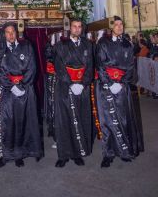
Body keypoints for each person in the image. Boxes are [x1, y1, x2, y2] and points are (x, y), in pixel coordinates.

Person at [95, 16, 144, 168]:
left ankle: (124, 151)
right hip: (105, 86)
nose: (119, 27)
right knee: (107, 121)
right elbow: (100, 64)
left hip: (122, 87)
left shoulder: (127, 44)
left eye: (121, 24)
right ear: (111, 28)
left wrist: (122, 83)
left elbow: (130, 66)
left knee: (123, 118)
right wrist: (109, 83)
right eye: (116, 25)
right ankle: (108, 153)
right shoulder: (103, 43)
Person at [0, 22, 42, 167]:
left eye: (13, 32)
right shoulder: (0, 51)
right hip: (8, 91)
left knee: (22, 122)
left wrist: (21, 86)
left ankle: (19, 154)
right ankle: (6, 154)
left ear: (17, 33)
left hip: (25, 90)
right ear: (4, 34)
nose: (10, 35)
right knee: (7, 123)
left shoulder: (26, 46)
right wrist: (11, 86)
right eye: (7, 32)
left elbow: (32, 67)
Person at [53, 18, 93, 168]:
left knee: (81, 119)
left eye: (79, 27)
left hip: (82, 88)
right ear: (70, 28)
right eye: (74, 27)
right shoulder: (61, 45)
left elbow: (90, 66)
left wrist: (82, 84)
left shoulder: (87, 45)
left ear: (82, 29)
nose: (77, 29)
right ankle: (63, 155)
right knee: (64, 121)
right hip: (64, 88)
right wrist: (70, 84)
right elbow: (59, 66)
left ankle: (77, 153)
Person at [44, 34, 56, 140]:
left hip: (61, 78)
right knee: (51, 102)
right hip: (51, 77)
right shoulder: (49, 46)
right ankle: (52, 128)